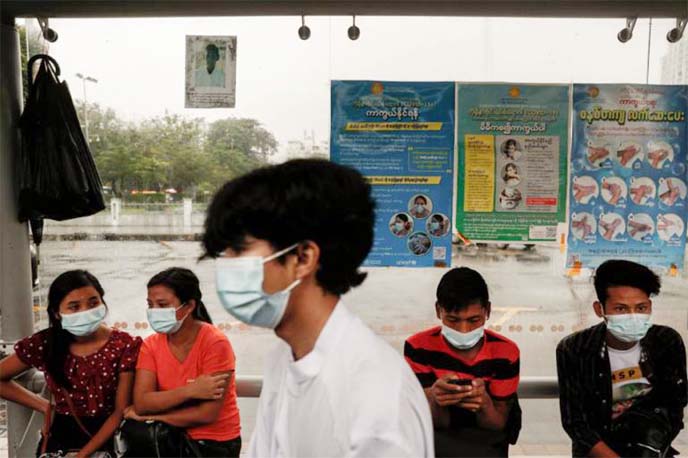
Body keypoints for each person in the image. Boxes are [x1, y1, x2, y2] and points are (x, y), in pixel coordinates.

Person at [203, 159, 434, 457]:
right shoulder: (283, 360)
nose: (226, 264)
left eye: (238, 250)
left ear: (302, 258)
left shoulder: (376, 392)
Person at [0, 270, 141, 457]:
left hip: (110, 437)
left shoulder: (123, 345)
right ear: (57, 313)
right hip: (61, 437)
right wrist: (44, 406)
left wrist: (82, 455)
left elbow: (119, 410)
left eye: (93, 303)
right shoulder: (45, 343)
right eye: (74, 307)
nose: (86, 312)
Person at [556, 260, 687, 457]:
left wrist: (650, 447)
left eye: (641, 308)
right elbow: (575, 422)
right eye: (621, 309)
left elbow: (675, 406)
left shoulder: (666, 342)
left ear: (650, 306)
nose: (633, 316)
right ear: (599, 309)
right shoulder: (575, 349)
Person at [404, 267, 521, 457]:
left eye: (474, 320)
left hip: (485, 447)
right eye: (452, 320)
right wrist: (436, 399)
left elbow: (498, 423)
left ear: (488, 310)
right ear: (438, 310)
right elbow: (431, 423)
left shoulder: (506, 352)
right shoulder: (417, 348)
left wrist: (484, 403)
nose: (463, 330)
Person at [124, 267, 241, 457]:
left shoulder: (215, 343)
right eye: (150, 304)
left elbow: (207, 414)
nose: (154, 311)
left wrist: (154, 416)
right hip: (166, 437)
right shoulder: (150, 345)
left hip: (214, 442)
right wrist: (191, 391)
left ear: (188, 306)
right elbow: (142, 402)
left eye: (162, 305)